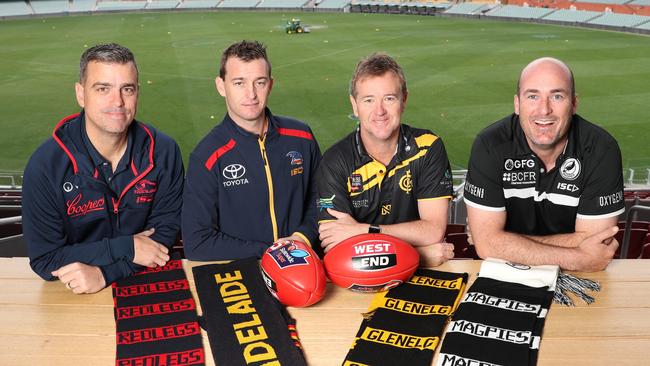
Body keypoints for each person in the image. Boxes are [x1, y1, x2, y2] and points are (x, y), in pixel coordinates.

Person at [22, 43, 184, 294]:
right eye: (103, 88)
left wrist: (106, 273)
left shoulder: (164, 151)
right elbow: (46, 260)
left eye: (126, 89)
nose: (117, 101)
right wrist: (127, 247)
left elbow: (162, 239)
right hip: (74, 293)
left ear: (137, 92)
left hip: (146, 283)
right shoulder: (46, 166)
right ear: (80, 93)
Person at [464, 57, 624, 272]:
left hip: (579, 278)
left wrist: (502, 242)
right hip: (508, 274)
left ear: (574, 104)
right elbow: (487, 246)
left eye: (557, 96)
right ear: (517, 104)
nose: (544, 109)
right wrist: (577, 256)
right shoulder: (490, 145)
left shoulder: (601, 149)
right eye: (532, 96)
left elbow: (597, 244)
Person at [182, 40, 321, 260]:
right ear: (221, 86)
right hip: (245, 278)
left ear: (271, 85)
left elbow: (323, 199)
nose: (251, 94)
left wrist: (303, 237)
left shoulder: (301, 137)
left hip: (303, 266)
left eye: (260, 82)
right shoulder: (207, 156)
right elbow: (197, 242)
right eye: (239, 83)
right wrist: (270, 253)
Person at [316, 53, 455, 267]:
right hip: (357, 285)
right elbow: (337, 250)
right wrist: (419, 255)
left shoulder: (428, 147)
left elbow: (434, 231)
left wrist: (365, 231)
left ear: (404, 100)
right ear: (354, 105)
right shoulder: (334, 161)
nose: (379, 111)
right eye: (368, 100)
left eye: (389, 98)